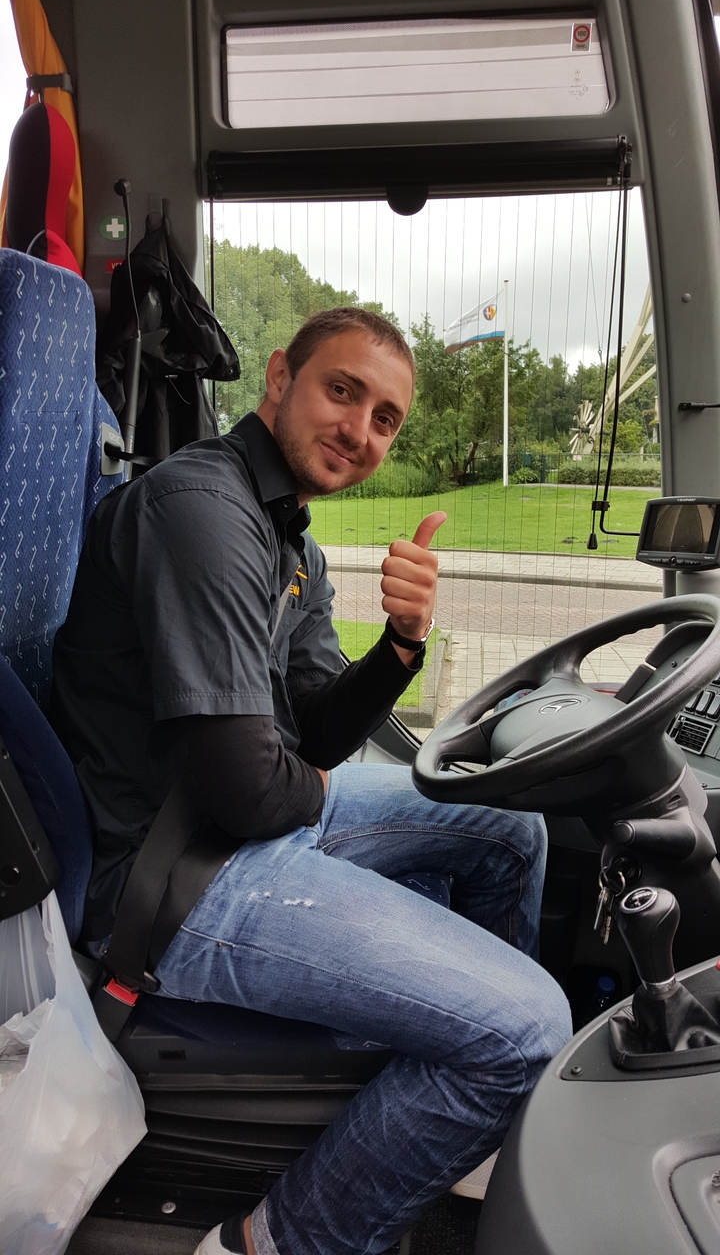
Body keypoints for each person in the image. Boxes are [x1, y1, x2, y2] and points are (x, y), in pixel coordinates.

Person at [51, 307, 572, 1255]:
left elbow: (322, 729)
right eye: (343, 391)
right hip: (174, 878)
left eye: (385, 419)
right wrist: (318, 798)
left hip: (243, 825)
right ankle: (270, 1242)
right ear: (279, 378)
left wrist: (403, 645)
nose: (360, 430)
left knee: (511, 827)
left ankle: (454, 1104)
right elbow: (250, 790)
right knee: (529, 1026)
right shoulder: (200, 509)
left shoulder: (292, 540)